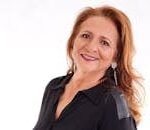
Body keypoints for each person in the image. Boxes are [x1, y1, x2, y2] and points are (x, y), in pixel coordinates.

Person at [33, 5, 143, 130]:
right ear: (73, 40)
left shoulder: (113, 104)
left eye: (104, 43)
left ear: (116, 56)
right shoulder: (53, 87)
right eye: (86, 36)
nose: (91, 47)